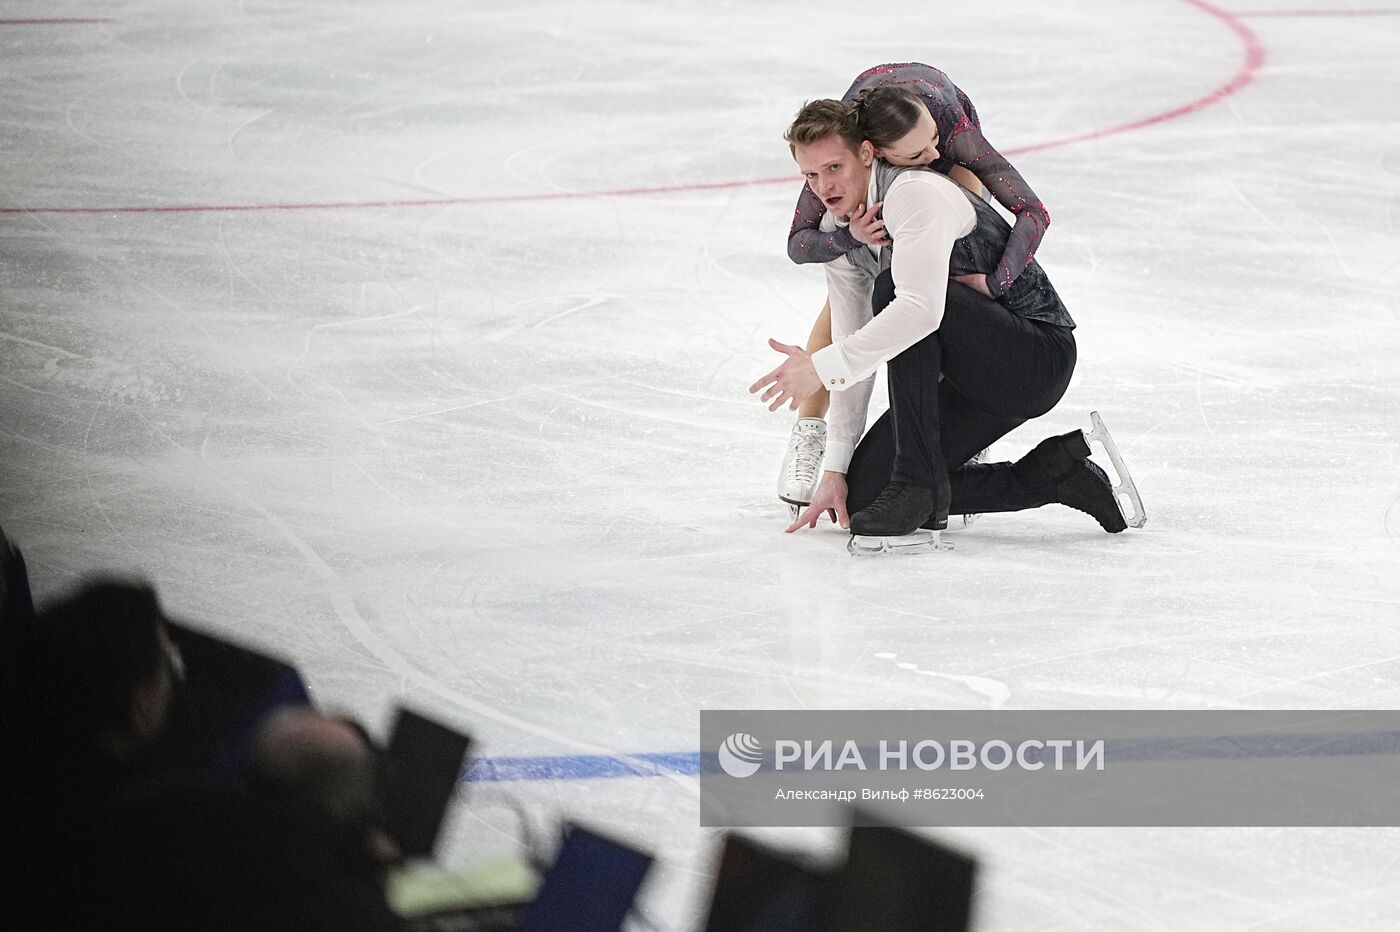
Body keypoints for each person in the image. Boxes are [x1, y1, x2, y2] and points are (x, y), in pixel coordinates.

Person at [750, 99, 1143, 553]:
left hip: (1033, 359)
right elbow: (854, 340)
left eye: (834, 167)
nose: (824, 186)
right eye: (811, 176)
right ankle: (1051, 474)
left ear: (866, 153)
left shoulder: (914, 193)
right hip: (968, 380)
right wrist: (835, 470)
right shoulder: (837, 228)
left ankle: (917, 484)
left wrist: (820, 367)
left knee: (895, 295)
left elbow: (920, 311)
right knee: (863, 497)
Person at [778, 63, 1051, 513]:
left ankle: (953, 433)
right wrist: (851, 237)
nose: (927, 157)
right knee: (855, 293)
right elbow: (801, 244)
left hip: (938, 144)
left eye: (931, 149)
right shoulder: (834, 156)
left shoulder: (945, 140)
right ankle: (811, 432)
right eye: (912, 156)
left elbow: (1031, 210)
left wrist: (994, 284)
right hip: (879, 156)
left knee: (929, 279)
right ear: (874, 153)